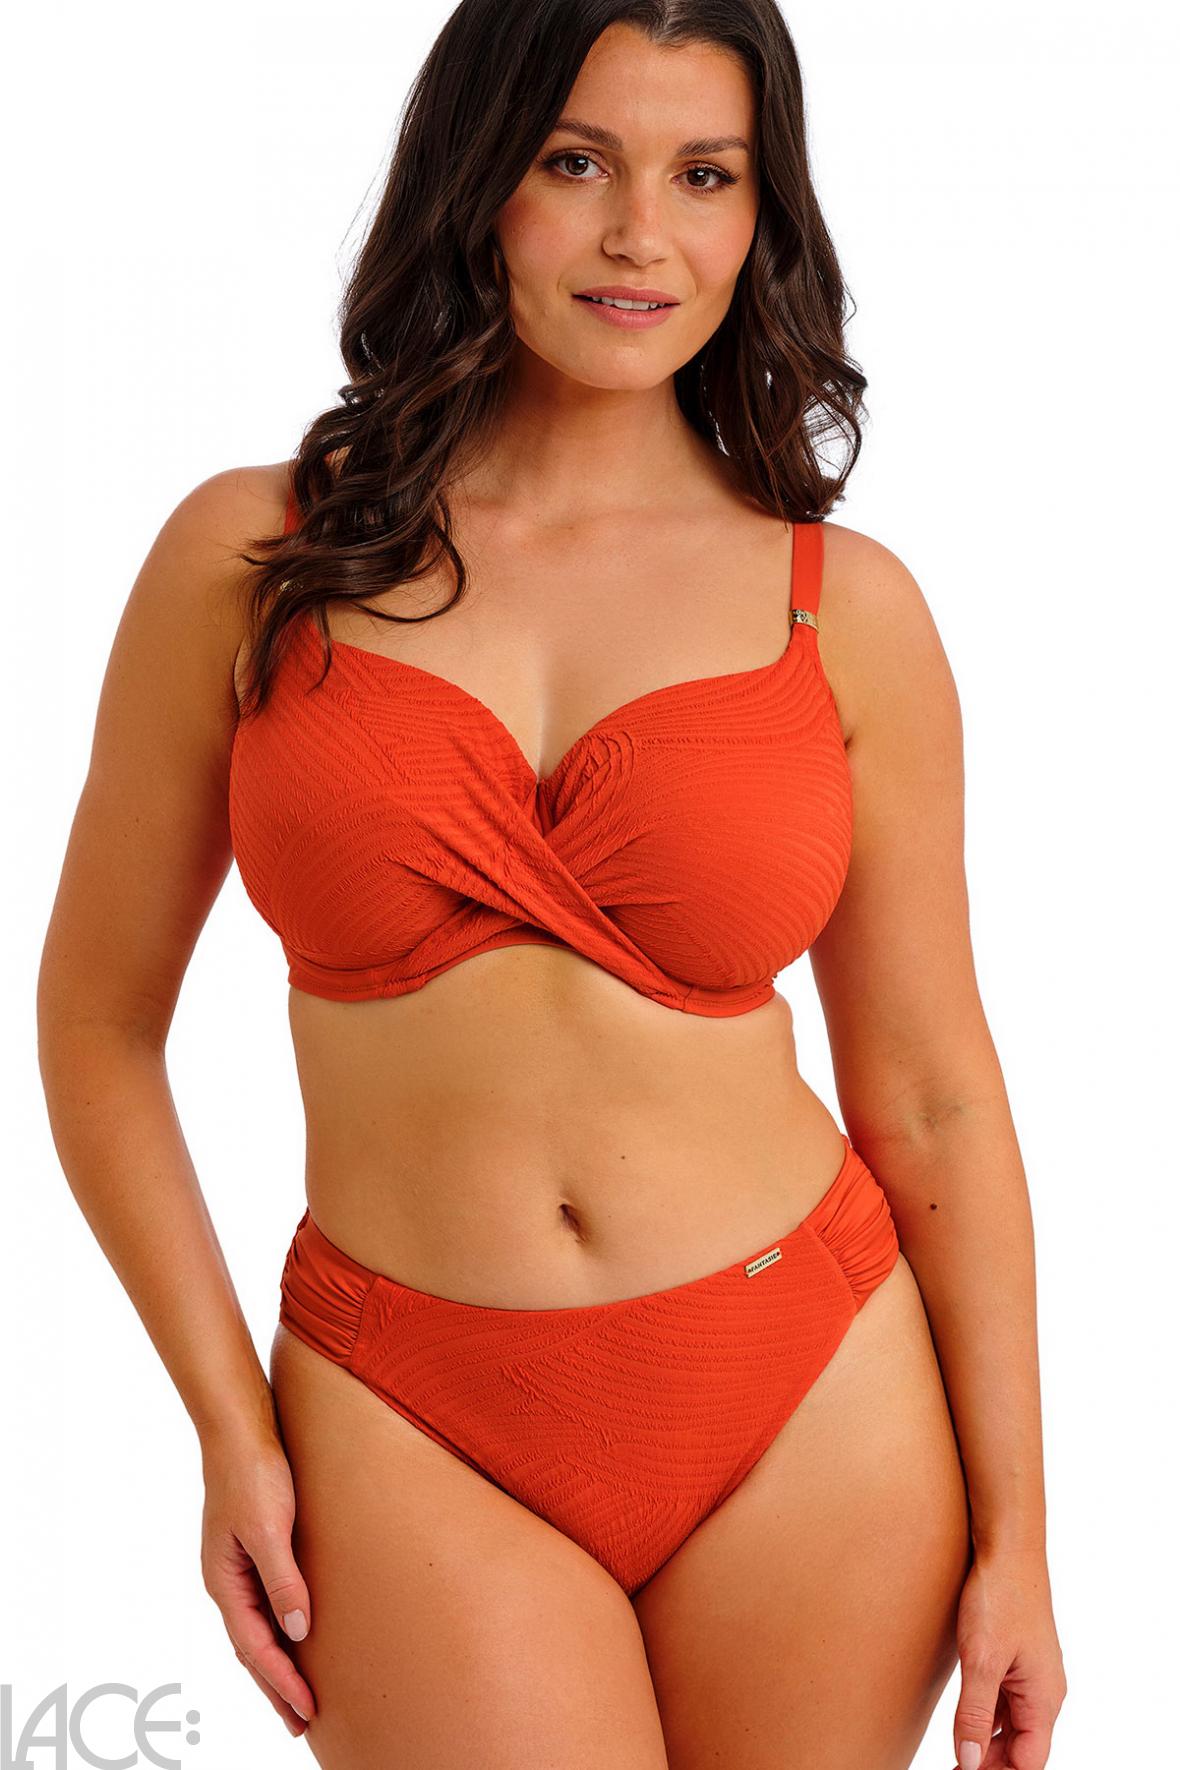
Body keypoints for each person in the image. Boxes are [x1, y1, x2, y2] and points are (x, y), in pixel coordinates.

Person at [37, 2, 1067, 1766]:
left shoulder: (847, 608)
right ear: (478, 175)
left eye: (706, 175)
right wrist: (225, 1420)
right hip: (407, 1403)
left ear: (763, 215)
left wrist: (1024, 1538)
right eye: (577, 161)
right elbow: (97, 1023)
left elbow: (933, 1093)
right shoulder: (254, 558)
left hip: (812, 1395)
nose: (639, 234)